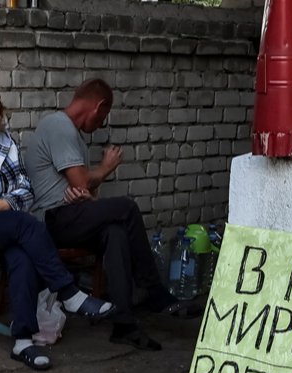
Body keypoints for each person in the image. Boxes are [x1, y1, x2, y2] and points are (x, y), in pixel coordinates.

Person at [0, 76, 115, 371]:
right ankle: (70, 294)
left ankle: (23, 341)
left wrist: (4, 203)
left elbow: (27, 189)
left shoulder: (6, 143)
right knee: (23, 224)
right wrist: (9, 204)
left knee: (22, 254)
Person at [23, 79, 198, 352]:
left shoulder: (72, 135)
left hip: (72, 215)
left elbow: (83, 190)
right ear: (98, 106)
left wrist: (84, 193)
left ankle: (124, 324)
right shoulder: (58, 126)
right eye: (103, 117)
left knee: (115, 232)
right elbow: (82, 181)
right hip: (52, 220)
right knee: (126, 208)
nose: (101, 125)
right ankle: (153, 292)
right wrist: (106, 168)